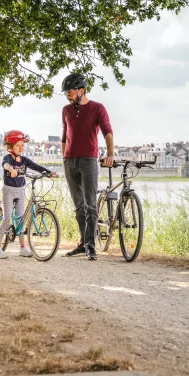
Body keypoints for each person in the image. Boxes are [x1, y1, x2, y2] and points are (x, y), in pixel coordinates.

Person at [61, 73, 114, 260]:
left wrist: (109, 154)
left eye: (70, 91)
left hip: (88, 161)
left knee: (90, 206)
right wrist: (64, 157)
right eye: (66, 92)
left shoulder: (97, 108)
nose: (67, 94)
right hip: (69, 162)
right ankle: (83, 243)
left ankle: (91, 246)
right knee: (78, 207)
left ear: (81, 90)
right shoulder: (66, 110)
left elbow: (107, 131)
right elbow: (64, 136)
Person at [0, 130, 58, 259]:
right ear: (10, 147)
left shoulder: (24, 160)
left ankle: (22, 248)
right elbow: (4, 164)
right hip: (8, 191)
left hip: (21, 191)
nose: (21, 148)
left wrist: (49, 173)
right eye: (18, 145)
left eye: (22, 145)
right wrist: (10, 169)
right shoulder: (8, 158)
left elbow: (36, 166)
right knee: (6, 219)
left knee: (20, 219)